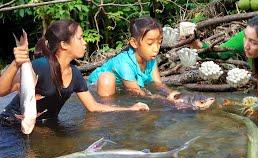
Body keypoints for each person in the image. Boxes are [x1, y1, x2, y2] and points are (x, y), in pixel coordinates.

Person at [0, 20, 149, 127]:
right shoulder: (41, 66)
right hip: (11, 125)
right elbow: (2, 91)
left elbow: (94, 107)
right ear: (64, 44)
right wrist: (15, 64)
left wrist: (130, 109)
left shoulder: (75, 74)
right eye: (80, 38)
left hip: (44, 125)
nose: (84, 42)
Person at [88, 17, 180, 101]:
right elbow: (135, 90)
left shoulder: (150, 58)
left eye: (159, 42)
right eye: (150, 44)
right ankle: (107, 108)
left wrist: (172, 94)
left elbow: (158, 84)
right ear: (134, 43)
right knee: (107, 79)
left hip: (121, 86)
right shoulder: (124, 63)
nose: (156, 49)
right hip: (96, 86)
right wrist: (164, 100)